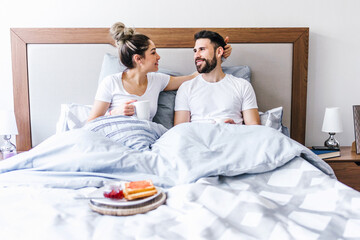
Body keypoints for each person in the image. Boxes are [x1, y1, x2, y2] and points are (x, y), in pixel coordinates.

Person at [87, 22, 232, 122]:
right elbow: (91, 123)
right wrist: (114, 113)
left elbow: (193, 77)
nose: (158, 57)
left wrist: (218, 56)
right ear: (139, 59)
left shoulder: (158, 80)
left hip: (144, 137)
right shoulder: (111, 82)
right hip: (114, 135)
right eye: (153, 53)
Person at [174, 30, 261, 126]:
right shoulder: (186, 88)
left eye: (202, 49)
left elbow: (254, 128)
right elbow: (180, 130)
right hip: (199, 139)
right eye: (195, 51)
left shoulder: (242, 86)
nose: (196, 55)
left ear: (219, 51)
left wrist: (236, 128)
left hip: (233, 137)